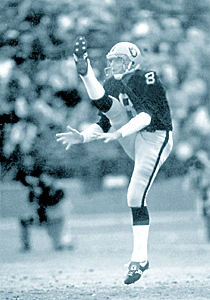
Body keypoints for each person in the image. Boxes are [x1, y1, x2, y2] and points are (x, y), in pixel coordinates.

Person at [56, 36, 173, 284]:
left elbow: (146, 117)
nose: (114, 65)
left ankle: (140, 259)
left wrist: (120, 133)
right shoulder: (112, 83)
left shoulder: (146, 78)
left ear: (131, 62)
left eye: (119, 60)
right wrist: (84, 137)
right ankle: (85, 72)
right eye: (112, 61)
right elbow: (105, 119)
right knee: (112, 107)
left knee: (134, 196)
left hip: (155, 137)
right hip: (131, 135)